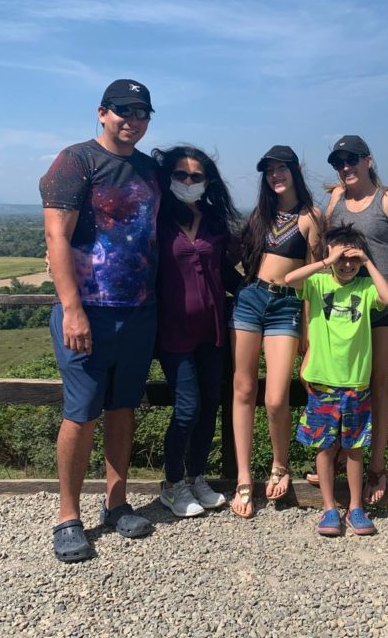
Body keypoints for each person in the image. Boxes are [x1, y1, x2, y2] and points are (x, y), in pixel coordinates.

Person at [41, 79, 160, 562]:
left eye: (141, 112)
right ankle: (68, 517)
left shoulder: (150, 169)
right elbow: (56, 236)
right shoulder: (77, 161)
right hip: (87, 311)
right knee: (80, 412)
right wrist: (72, 309)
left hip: (139, 310)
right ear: (102, 113)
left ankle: (116, 501)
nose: (131, 119)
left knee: (123, 408)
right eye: (122, 110)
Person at [229, 145, 322, 518]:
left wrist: (309, 335)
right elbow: (230, 255)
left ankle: (280, 463)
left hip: (286, 306)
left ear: (295, 169)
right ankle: (243, 477)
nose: (275, 175)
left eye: (281, 168)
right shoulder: (259, 216)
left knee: (276, 397)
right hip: (250, 299)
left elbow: (316, 278)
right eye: (269, 171)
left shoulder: (311, 217)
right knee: (243, 388)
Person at [284, 224, 388, 536]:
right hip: (323, 380)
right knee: (324, 445)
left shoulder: (365, 288)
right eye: (341, 259)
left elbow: (387, 297)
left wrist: (368, 261)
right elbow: (289, 279)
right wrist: (325, 261)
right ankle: (329, 508)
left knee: (355, 447)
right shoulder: (318, 282)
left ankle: (356, 507)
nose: (347, 265)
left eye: (352, 260)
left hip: (356, 381)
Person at [152, 145, 241, 517]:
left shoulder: (215, 223)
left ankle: (197, 477)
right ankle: (172, 484)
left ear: (207, 182)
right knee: (186, 409)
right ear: (168, 177)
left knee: (208, 408)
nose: (188, 182)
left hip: (213, 329)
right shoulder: (155, 219)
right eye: (181, 175)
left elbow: (230, 273)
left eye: (196, 176)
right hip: (172, 332)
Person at [323, 135, 388, 505]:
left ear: (368, 161)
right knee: (346, 383)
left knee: (377, 383)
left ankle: (376, 466)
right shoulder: (333, 201)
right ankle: (341, 459)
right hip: (348, 305)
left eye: (352, 159)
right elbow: (323, 248)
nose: (345, 166)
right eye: (339, 161)